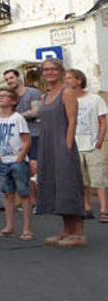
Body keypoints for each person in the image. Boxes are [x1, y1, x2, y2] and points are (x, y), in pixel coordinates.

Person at [38, 59, 85, 248]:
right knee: (57, 187)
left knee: (70, 185)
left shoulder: (68, 92)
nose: (49, 72)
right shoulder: (45, 97)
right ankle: (67, 230)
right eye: (45, 70)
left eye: (53, 69)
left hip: (63, 146)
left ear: (60, 71)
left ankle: (79, 233)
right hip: (48, 146)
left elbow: (72, 121)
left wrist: (67, 146)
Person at [64, 69, 108, 222]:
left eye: (70, 78)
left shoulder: (94, 99)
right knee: (81, 179)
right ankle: (87, 207)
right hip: (75, 144)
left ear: (79, 80)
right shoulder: (67, 100)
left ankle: (104, 209)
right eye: (66, 78)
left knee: (99, 178)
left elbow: (103, 120)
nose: (67, 81)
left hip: (92, 144)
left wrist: (100, 139)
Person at [0, 87, 34, 241]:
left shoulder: (18, 118)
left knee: (24, 194)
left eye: (5, 96)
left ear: (14, 101)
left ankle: (27, 228)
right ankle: (9, 226)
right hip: (3, 160)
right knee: (8, 194)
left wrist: (20, 158)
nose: (1, 98)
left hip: (17, 160)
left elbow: (27, 139)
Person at [3, 68, 42, 206]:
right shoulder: (10, 97)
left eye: (11, 78)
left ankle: (42, 201)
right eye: (7, 80)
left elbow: (36, 112)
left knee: (34, 167)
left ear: (19, 77)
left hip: (35, 135)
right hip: (18, 138)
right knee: (23, 169)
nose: (9, 81)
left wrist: (16, 117)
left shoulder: (33, 92)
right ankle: (33, 202)